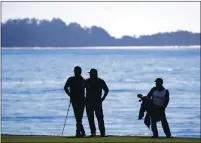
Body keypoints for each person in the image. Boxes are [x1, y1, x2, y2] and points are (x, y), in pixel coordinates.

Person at [85, 68, 109, 137]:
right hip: (90, 102)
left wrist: (103, 98)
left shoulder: (100, 81)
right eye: (90, 74)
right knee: (91, 118)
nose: (90, 75)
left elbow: (106, 90)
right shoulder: (87, 81)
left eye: (91, 74)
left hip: (96, 102)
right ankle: (94, 133)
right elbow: (82, 89)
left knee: (99, 118)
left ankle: (102, 133)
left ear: (95, 74)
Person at [64, 66, 86, 137]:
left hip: (80, 100)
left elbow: (87, 87)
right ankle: (80, 132)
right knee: (78, 117)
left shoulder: (82, 80)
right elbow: (65, 87)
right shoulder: (75, 79)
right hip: (77, 100)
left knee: (79, 117)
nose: (76, 72)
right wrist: (70, 95)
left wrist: (70, 95)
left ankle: (80, 132)